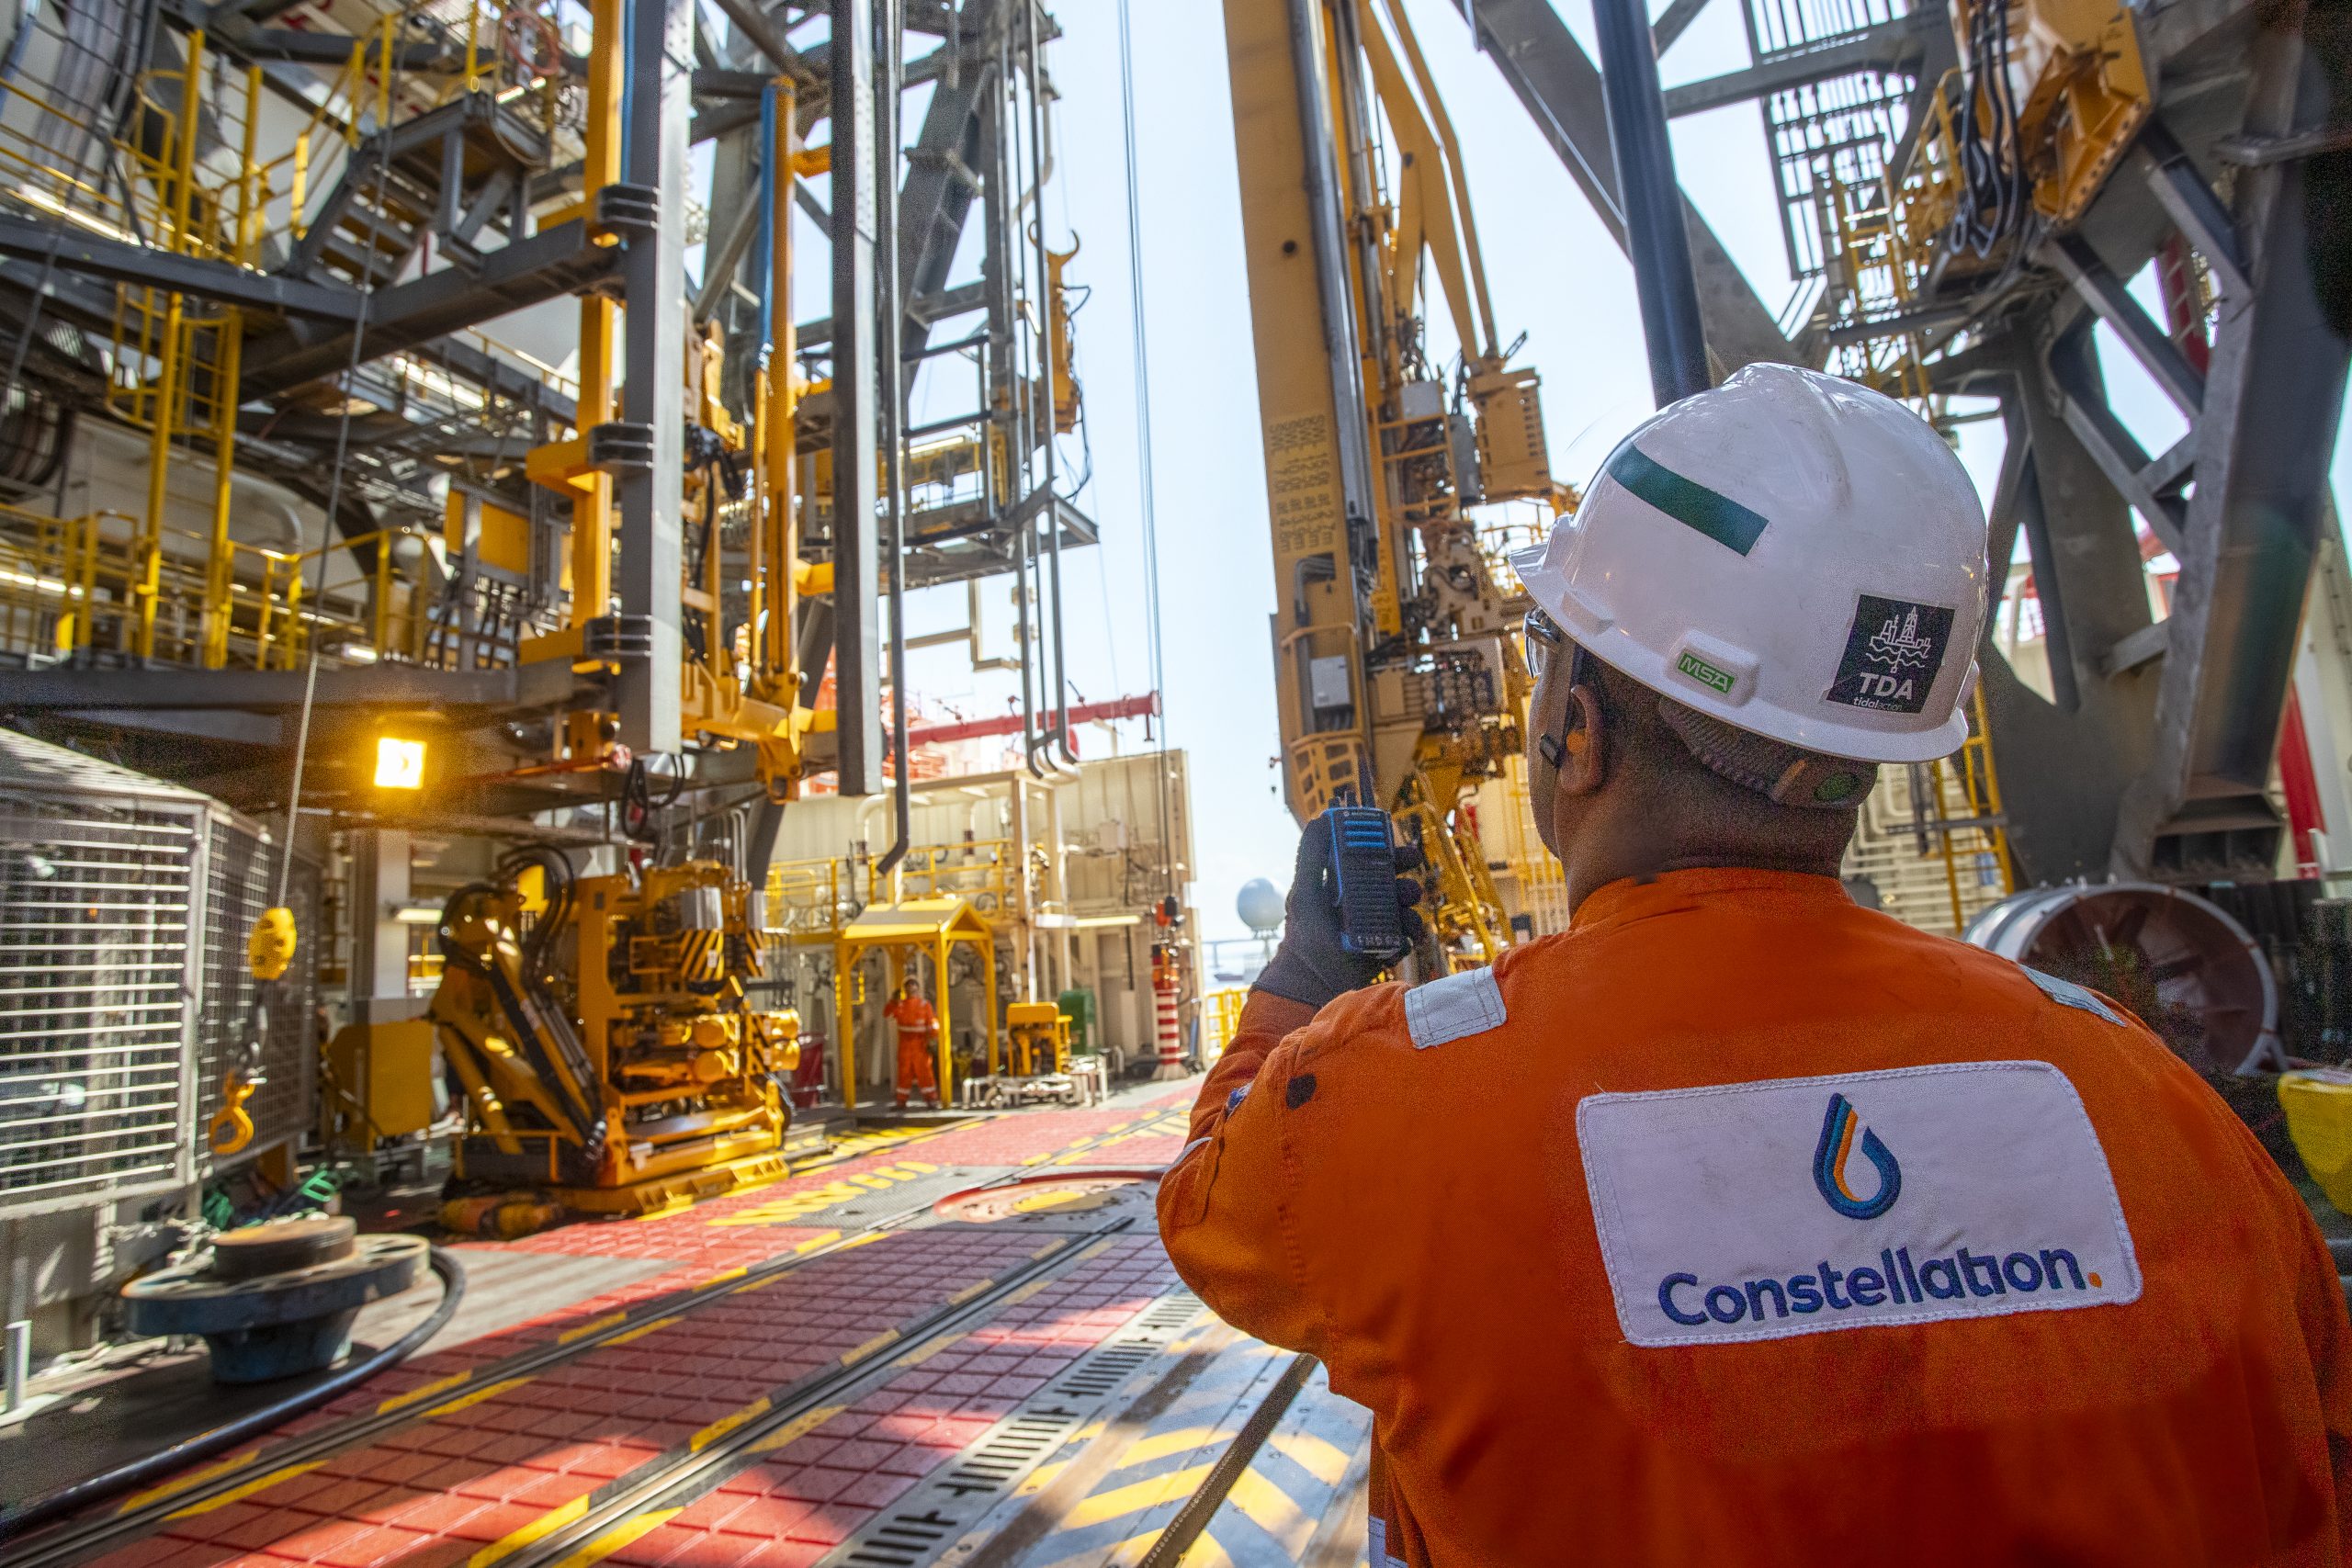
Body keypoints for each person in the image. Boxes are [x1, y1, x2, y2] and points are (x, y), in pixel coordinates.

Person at [1158, 364, 2352, 1566]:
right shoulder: (2157, 1103)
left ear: (1578, 731)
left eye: (1547, 657)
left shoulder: (1401, 1099)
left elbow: (1213, 1204)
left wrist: (1303, 973)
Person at [886, 976, 939, 1110]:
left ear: (918, 988)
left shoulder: (924, 1005)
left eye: (913, 985)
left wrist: (933, 1040)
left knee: (925, 1073)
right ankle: (901, 1101)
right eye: (909, 985)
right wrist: (893, 1001)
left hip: (921, 1045)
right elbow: (887, 1014)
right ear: (905, 989)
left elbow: (932, 1023)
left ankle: (931, 1099)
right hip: (905, 1045)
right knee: (904, 1074)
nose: (911, 988)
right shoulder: (900, 1005)